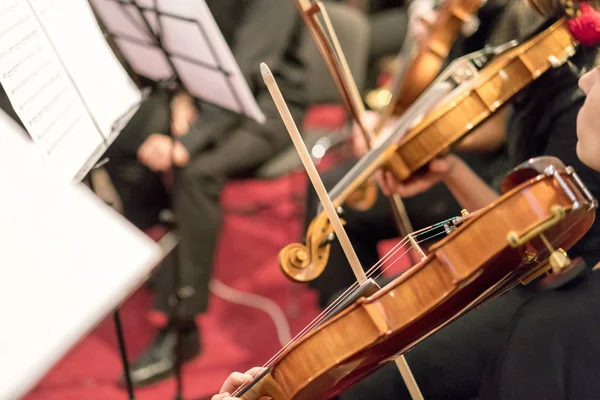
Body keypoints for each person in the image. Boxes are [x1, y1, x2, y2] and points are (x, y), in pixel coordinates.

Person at [210, 0, 600, 399]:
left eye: (599, 77)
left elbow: (533, 223)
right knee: (365, 317)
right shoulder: (546, 34)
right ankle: (341, 334)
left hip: (534, 284)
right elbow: (519, 189)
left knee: (368, 380)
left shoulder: (575, 103)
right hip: (525, 260)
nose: (590, 82)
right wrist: (442, 161)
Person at [105, 0, 308, 387]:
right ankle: (168, 248)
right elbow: (184, 44)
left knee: (195, 174)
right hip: (208, 97)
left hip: (268, 106)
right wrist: (182, 96)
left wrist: (188, 143)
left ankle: (182, 326)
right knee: (122, 135)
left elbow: (248, 70)